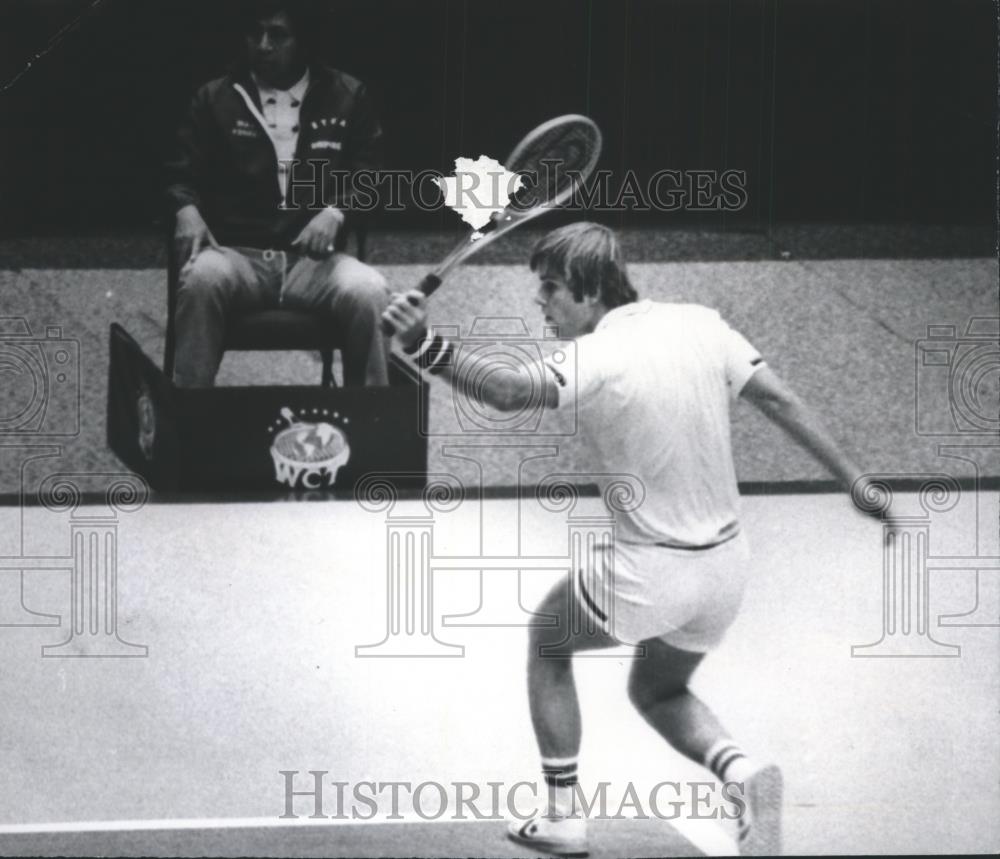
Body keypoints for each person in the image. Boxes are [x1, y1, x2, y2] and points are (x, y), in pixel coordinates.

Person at [383, 222, 887, 857]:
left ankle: (563, 816)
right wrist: (857, 481)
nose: (541, 303)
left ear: (592, 291)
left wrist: (421, 343)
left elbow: (506, 392)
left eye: (551, 288)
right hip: (727, 572)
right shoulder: (703, 323)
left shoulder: (593, 356)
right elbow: (780, 401)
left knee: (548, 640)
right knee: (657, 689)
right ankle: (742, 773)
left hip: (651, 571)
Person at [165, 0, 390, 388]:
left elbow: (371, 179)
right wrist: (185, 207)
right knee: (200, 280)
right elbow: (181, 173)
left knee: (369, 290)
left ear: (303, 41)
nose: (264, 45)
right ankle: (188, 424)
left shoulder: (348, 95)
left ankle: (369, 424)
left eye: (278, 35)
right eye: (255, 33)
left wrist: (337, 212)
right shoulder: (215, 97)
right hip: (236, 259)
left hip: (315, 264)